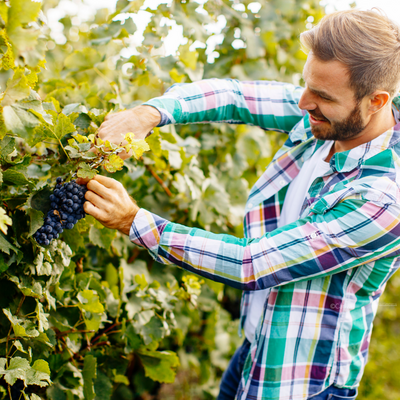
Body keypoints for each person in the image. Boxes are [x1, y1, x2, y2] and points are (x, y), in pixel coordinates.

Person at [81, 9, 400, 400]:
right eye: (306, 85)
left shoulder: (383, 201)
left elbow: (251, 264)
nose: (303, 102)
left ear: (377, 100)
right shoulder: (330, 120)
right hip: (256, 349)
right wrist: (148, 113)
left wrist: (134, 220)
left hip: (300, 383)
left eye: (322, 96)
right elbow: (234, 96)